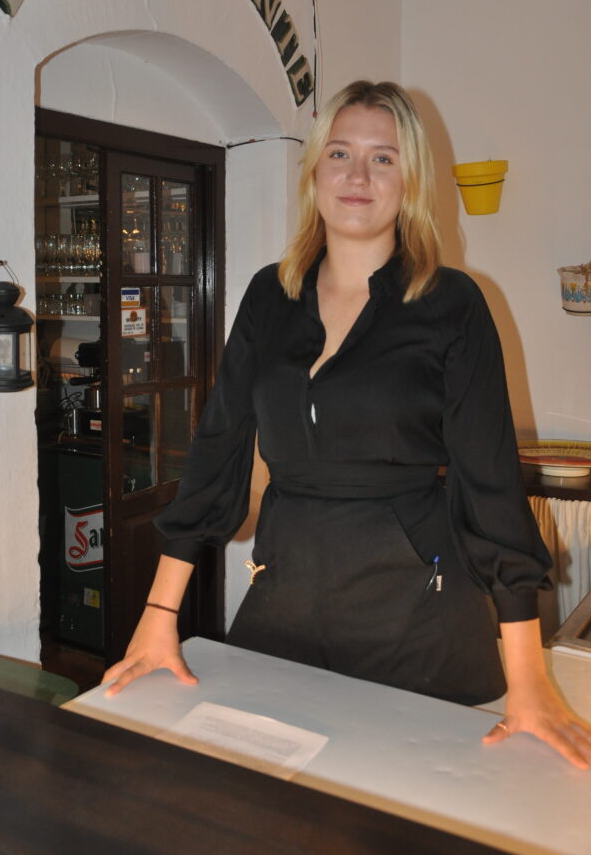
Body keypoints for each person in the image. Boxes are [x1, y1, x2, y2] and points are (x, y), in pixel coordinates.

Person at [103, 80, 591, 769]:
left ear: (410, 181)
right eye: (340, 153)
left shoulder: (453, 303)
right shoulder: (269, 295)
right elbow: (217, 451)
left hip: (419, 614)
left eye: (383, 158)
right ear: (314, 173)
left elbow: (489, 483)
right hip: (288, 598)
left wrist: (529, 678)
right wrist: (159, 617)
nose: (358, 175)